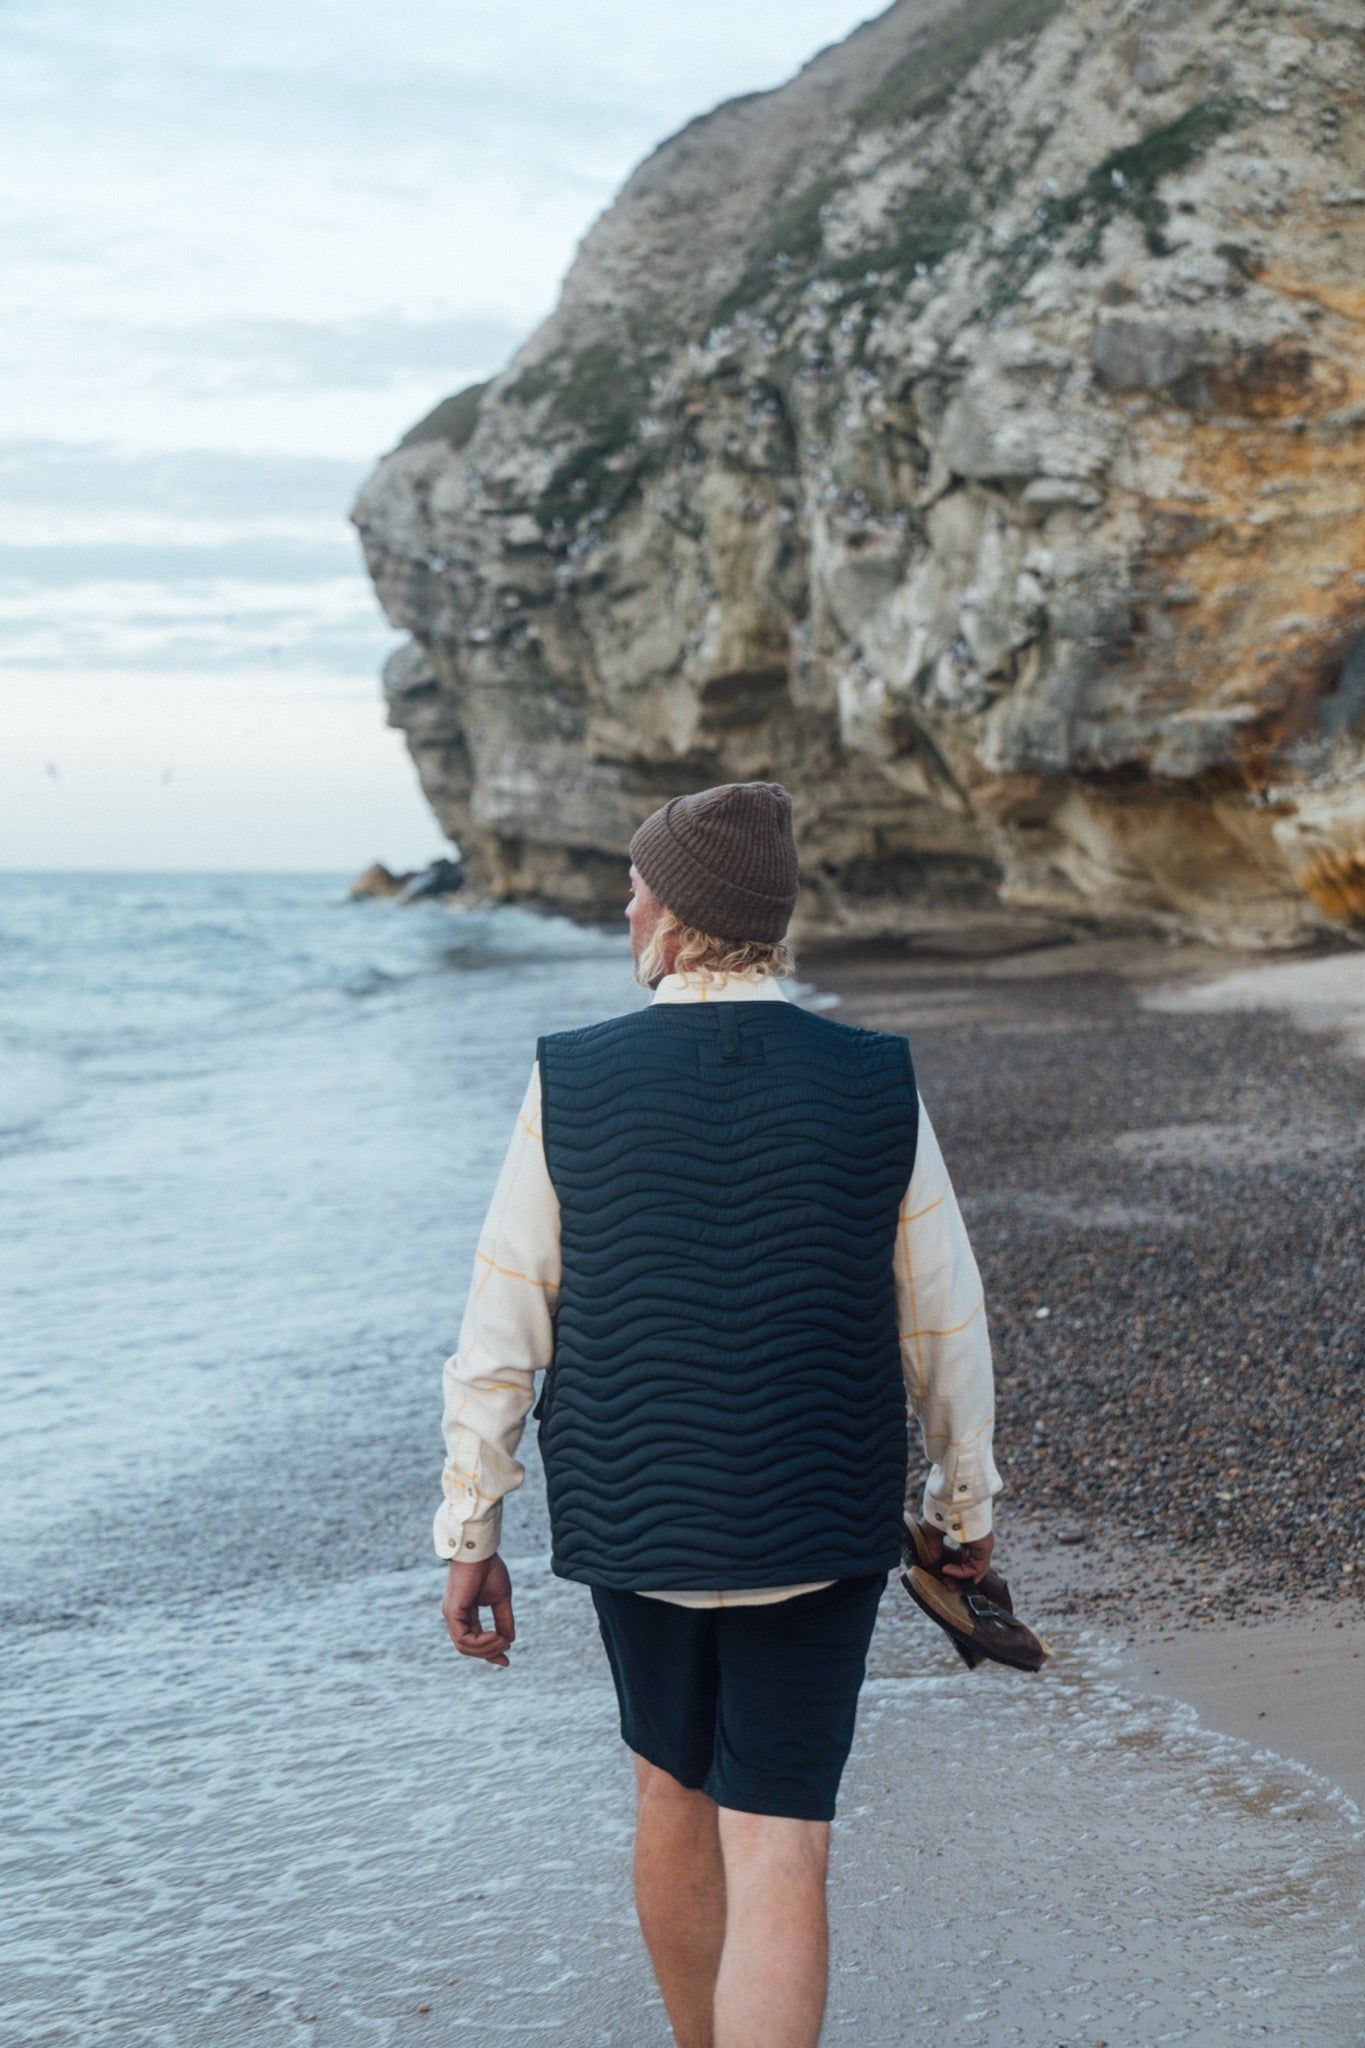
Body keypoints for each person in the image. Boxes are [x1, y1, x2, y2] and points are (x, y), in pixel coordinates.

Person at [437, 781, 1001, 2048]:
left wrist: (470, 1523)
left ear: (682, 921)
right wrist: (964, 1504)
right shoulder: (871, 1077)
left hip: (642, 1527)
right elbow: (942, 1314)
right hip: (819, 1516)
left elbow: (504, 1321)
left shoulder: (571, 1079)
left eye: (640, 886)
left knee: (667, 1785)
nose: (624, 903)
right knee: (784, 1843)